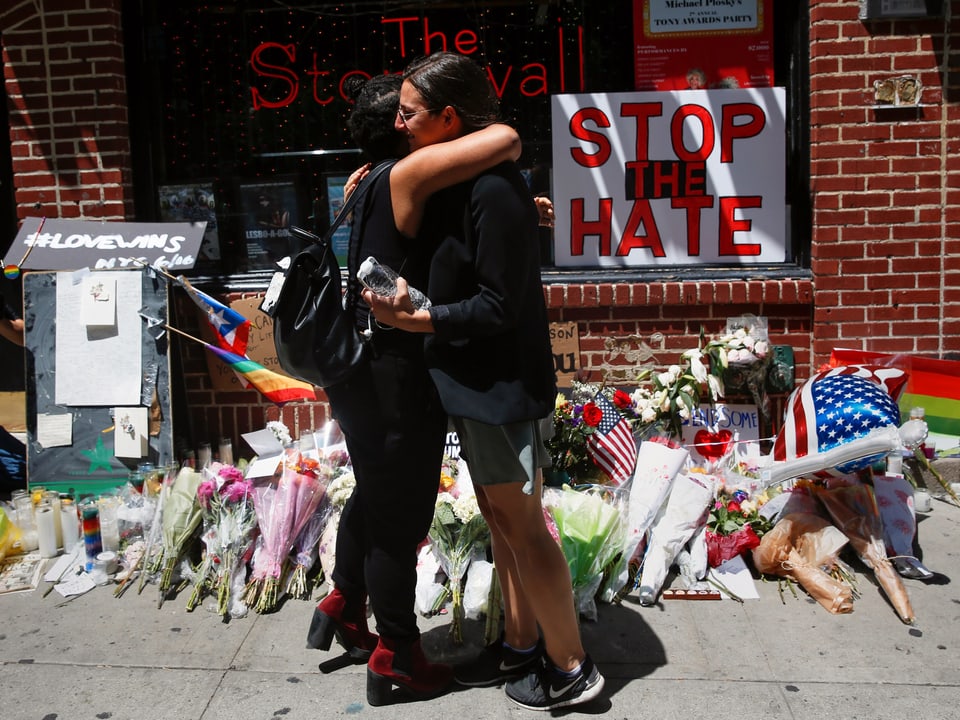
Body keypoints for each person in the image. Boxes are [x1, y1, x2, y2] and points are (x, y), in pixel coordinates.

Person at [364, 51, 604, 712]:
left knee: (525, 528)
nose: (400, 123)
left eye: (410, 113)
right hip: (470, 384)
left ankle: (573, 667)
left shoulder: (495, 191)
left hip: (501, 388)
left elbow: (502, 306)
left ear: (449, 116)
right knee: (502, 525)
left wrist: (424, 318)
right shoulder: (465, 185)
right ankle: (522, 644)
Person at [306, 71, 522, 707]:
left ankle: (345, 601)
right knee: (401, 521)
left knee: (374, 494)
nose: (408, 123)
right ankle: (397, 654)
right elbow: (505, 139)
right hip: (393, 377)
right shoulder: (404, 175)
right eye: (401, 115)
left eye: (412, 113)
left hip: (360, 372)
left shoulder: (373, 179)